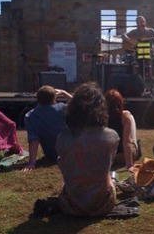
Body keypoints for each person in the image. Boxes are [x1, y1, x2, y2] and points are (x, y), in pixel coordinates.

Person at [56, 82, 119, 217]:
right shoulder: (112, 136)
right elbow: (107, 165)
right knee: (110, 176)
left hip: (70, 206)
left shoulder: (63, 137)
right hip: (103, 204)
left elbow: (63, 166)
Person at [22, 85, 72, 172]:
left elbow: (34, 140)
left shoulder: (30, 116)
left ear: (37, 99)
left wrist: (32, 163)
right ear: (54, 98)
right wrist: (64, 93)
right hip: (69, 152)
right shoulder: (63, 108)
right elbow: (79, 104)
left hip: (51, 154)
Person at [105, 89, 141, 171]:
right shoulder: (124, 116)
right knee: (129, 116)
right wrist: (129, 165)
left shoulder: (101, 116)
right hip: (123, 156)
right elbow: (126, 142)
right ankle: (136, 142)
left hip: (109, 156)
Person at [122, 15, 154, 81]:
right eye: (140, 22)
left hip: (150, 53)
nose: (142, 23)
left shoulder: (151, 31)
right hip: (139, 54)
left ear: (145, 22)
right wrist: (131, 41)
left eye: (143, 21)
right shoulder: (134, 32)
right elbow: (123, 35)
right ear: (137, 24)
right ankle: (141, 83)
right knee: (141, 69)